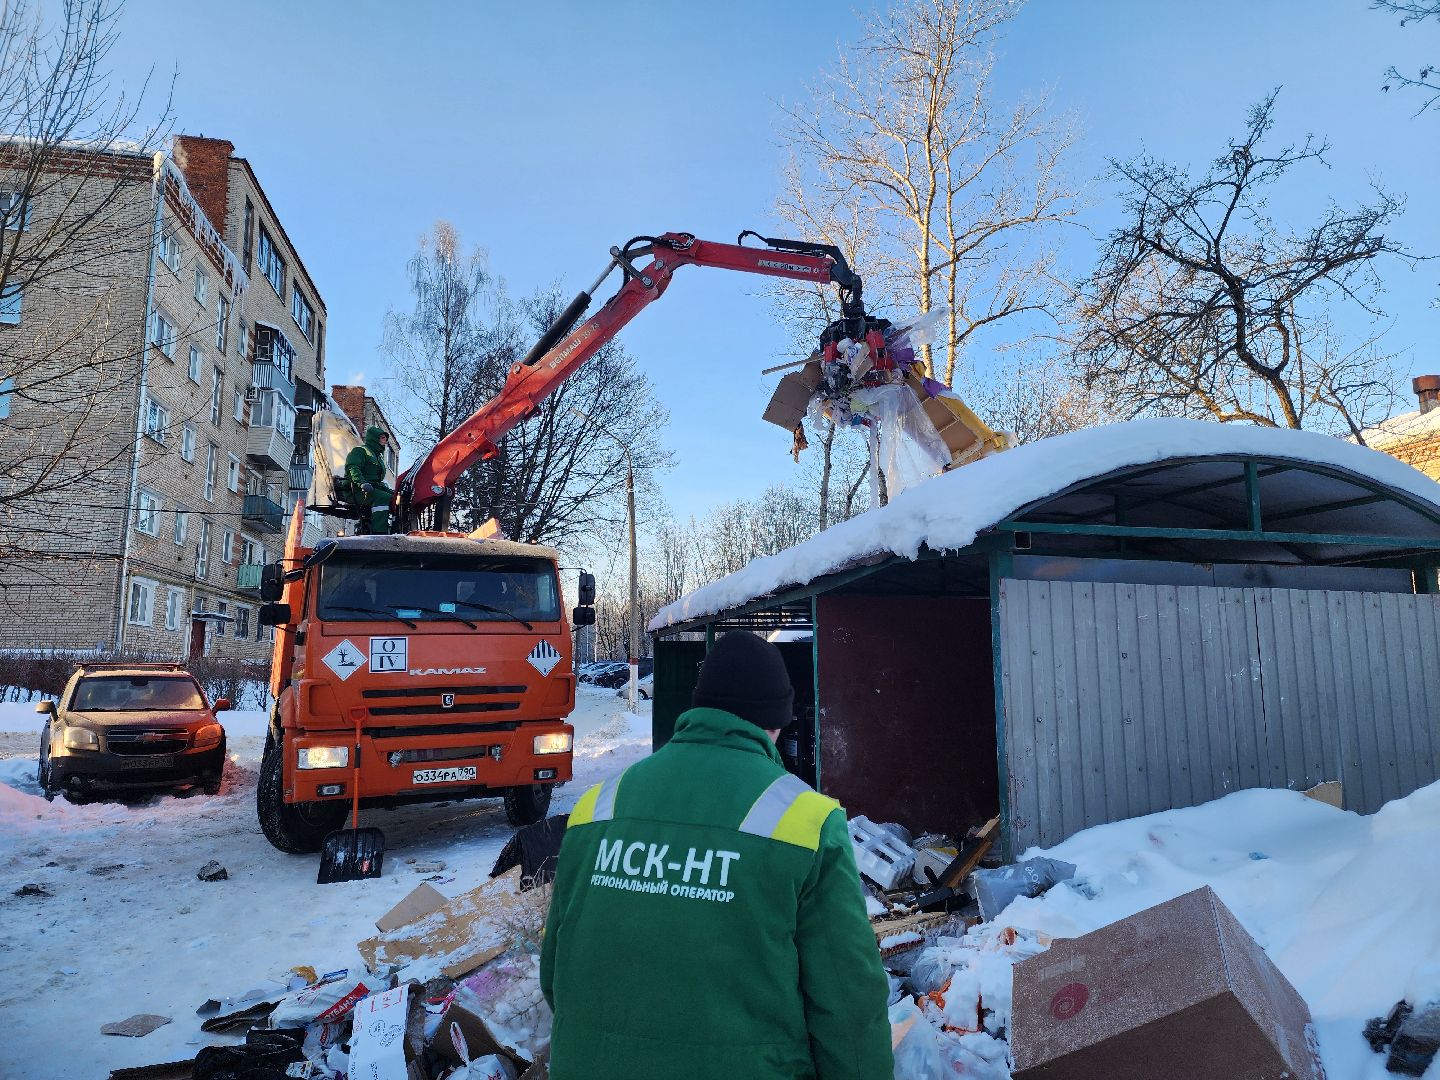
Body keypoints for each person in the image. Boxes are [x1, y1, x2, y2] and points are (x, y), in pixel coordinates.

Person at [540, 630, 893, 1080]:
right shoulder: (808, 821)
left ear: (698, 708)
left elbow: (554, 971)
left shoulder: (596, 808)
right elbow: (847, 1004)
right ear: (775, 721)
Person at [344, 426, 392, 535]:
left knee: (397, 497)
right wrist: (362, 483)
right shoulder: (360, 451)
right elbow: (352, 468)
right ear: (374, 438)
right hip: (357, 491)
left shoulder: (377, 456)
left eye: (385, 438)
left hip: (372, 488)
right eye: (382, 438)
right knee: (383, 498)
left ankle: (394, 527)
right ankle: (379, 533)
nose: (385, 440)